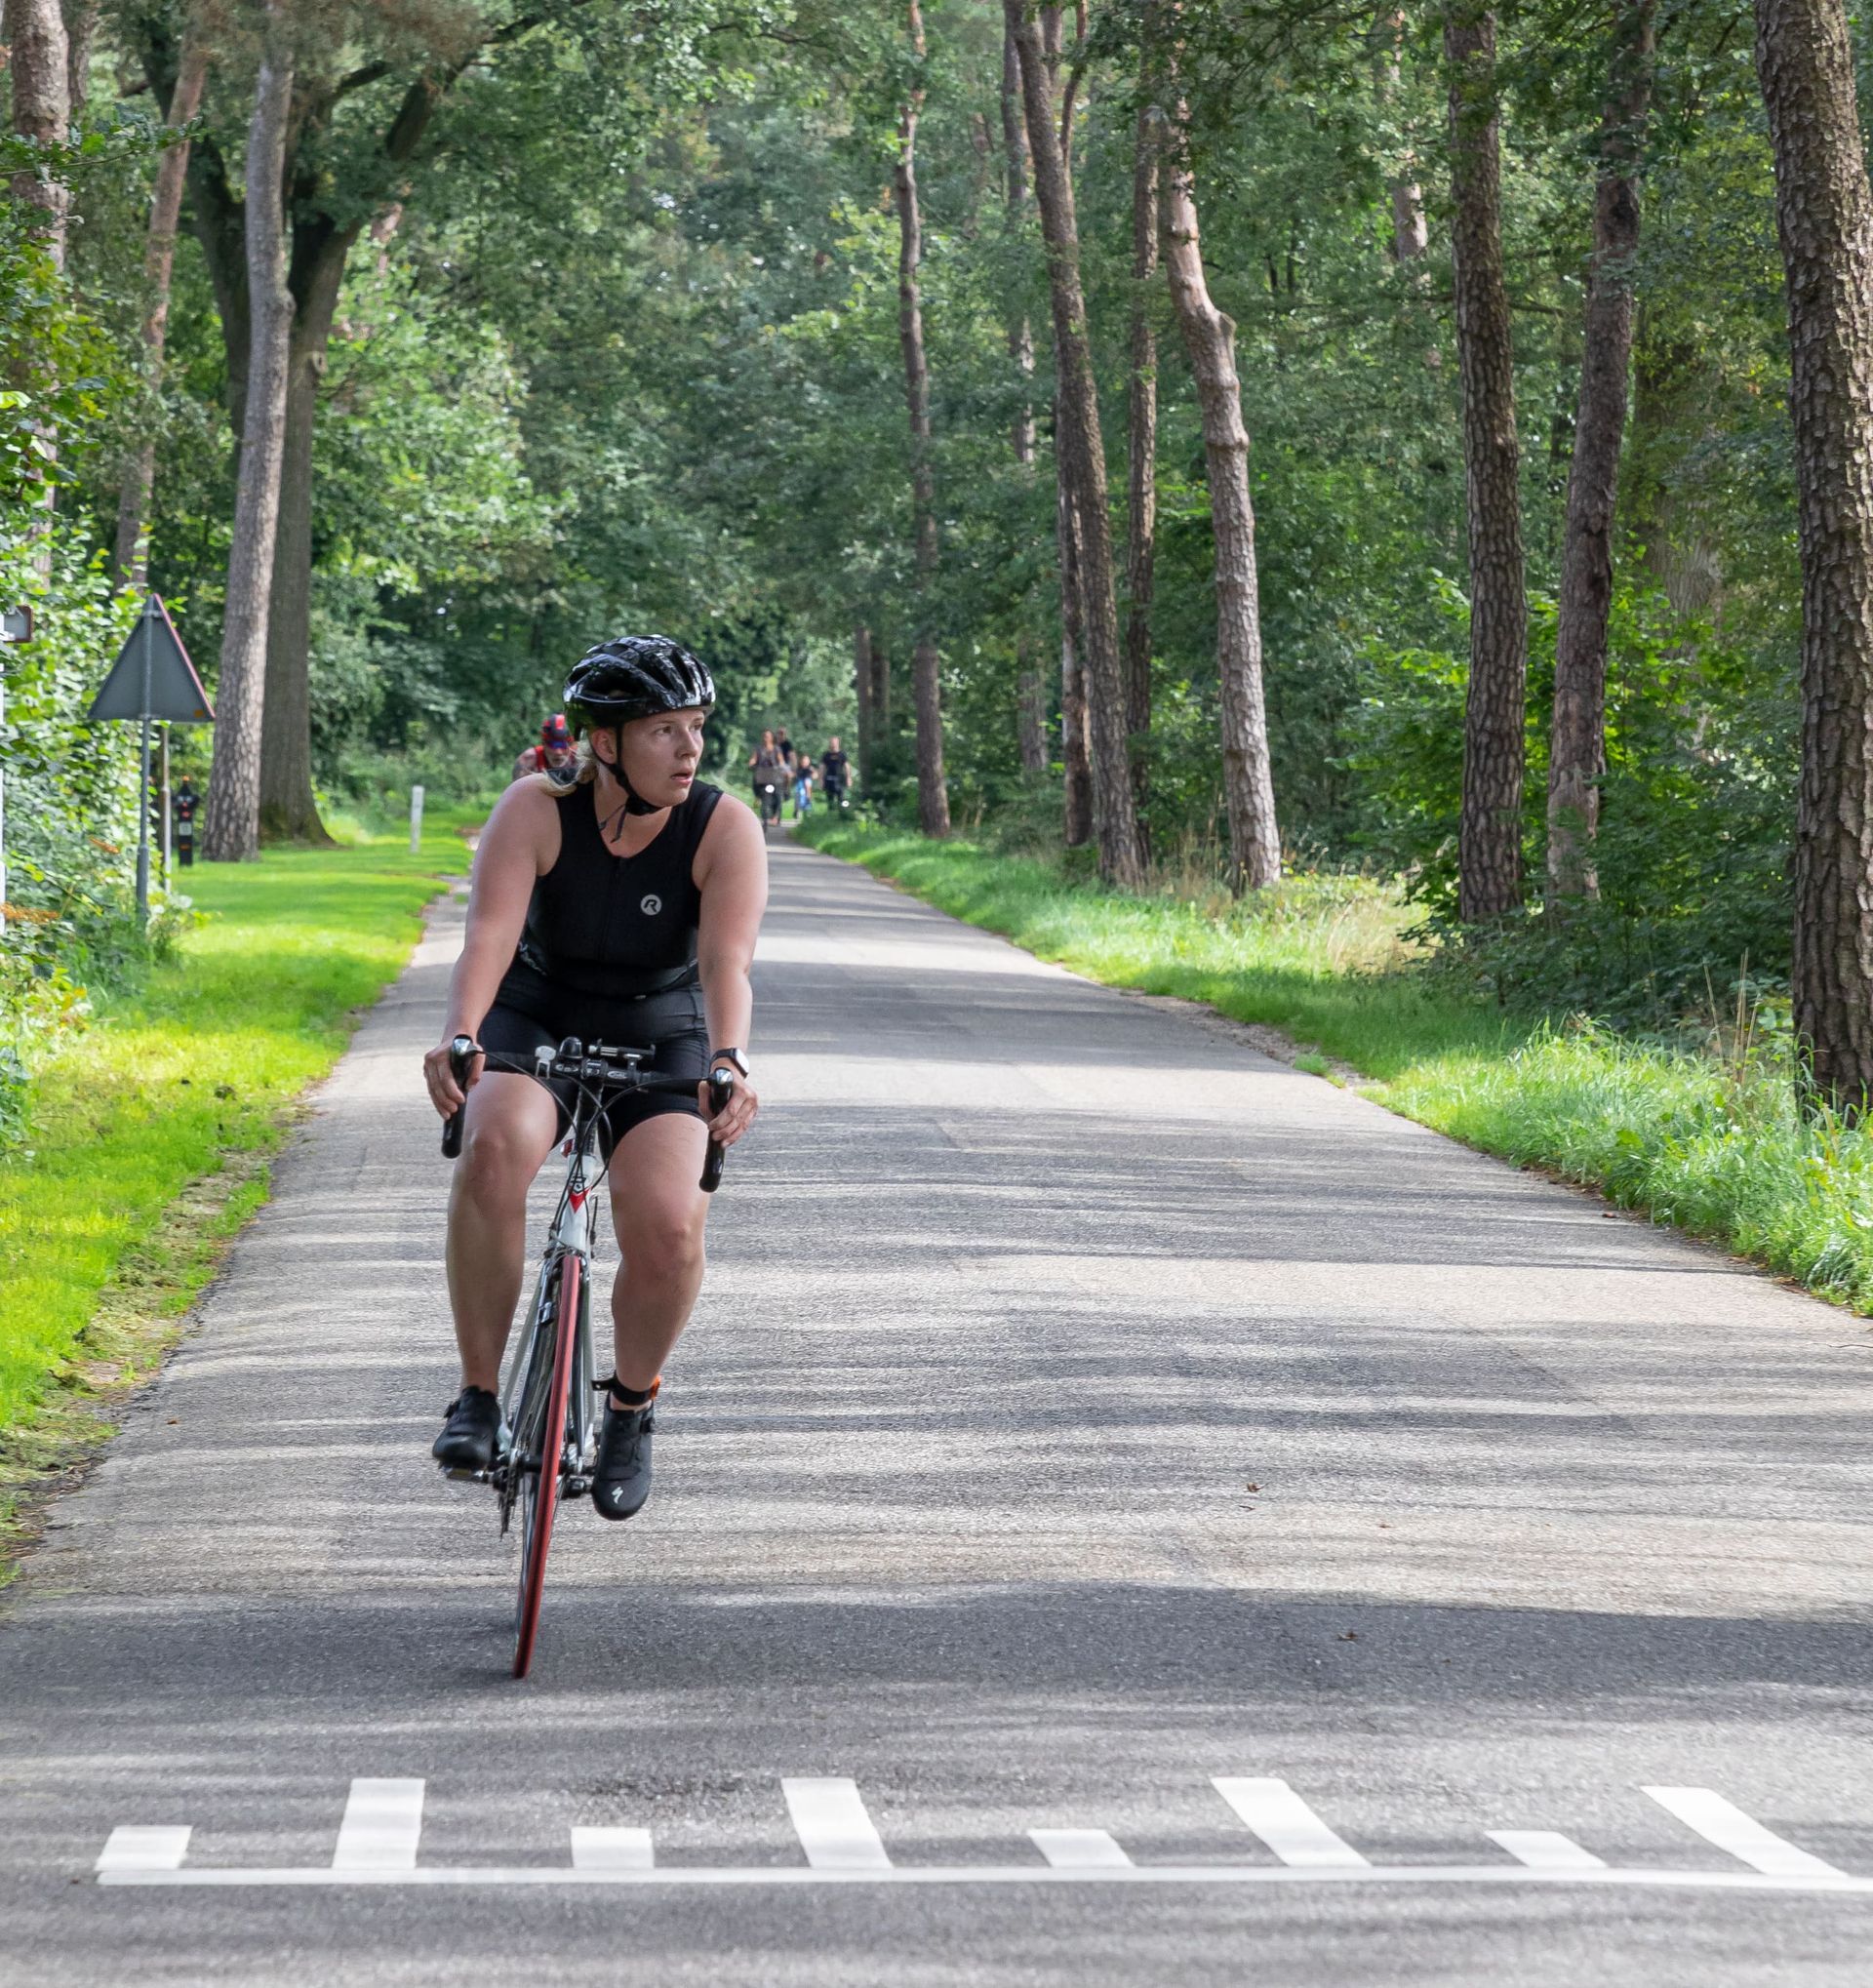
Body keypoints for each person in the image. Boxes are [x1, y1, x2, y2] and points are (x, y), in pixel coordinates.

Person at [425, 636, 766, 1522]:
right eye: (664, 730)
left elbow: (726, 964)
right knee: (494, 1151)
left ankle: (630, 1407)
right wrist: (461, 1035)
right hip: (538, 1010)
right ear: (605, 742)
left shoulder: (722, 826)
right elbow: (489, 937)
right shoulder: (536, 808)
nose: (690, 748)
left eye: (697, 727)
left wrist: (728, 1058)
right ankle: (478, 1397)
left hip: (663, 1024)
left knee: (669, 1224)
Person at [512, 712, 575, 784]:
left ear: (570, 744)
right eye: (552, 744)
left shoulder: (578, 759)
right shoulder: (528, 760)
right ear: (543, 743)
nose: (558, 752)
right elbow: (515, 789)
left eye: (562, 745)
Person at [748, 729, 785, 826]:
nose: (765, 738)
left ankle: (776, 815)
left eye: (767, 736)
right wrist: (751, 763)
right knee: (758, 788)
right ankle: (758, 798)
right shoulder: (759, 749)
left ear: (771, 738)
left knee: (778, 796)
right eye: (764, 736)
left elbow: (781, 761)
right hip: (762, 778)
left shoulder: (776, 749)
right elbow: (753, 759)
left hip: (774, 777)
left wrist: (780, 766)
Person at [819, 736, 852, 811]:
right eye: (832, 742)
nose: (833, 744)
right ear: (830, 743)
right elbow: (822, 767)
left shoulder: (842, 754)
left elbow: (846, 766)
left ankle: (843, 813)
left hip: (840, 780)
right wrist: (821, 779)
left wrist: (848, 778)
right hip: (829, 779)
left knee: (842, 799)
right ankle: (831, 814)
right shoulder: (826, 755)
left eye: (835, 742)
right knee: (830, 799)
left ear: (838, 743)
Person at [792, 752, 815, 819]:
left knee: (807, 788)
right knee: (799, 796)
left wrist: (813, 775)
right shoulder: (798, 769)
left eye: (806, 761)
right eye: (803, 761)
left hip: (807, 784)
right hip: (800, 784)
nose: (805, 762)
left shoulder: (810, 768)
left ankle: (807, 810)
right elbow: (794, 774)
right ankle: (797, 810)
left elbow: (815, 775)